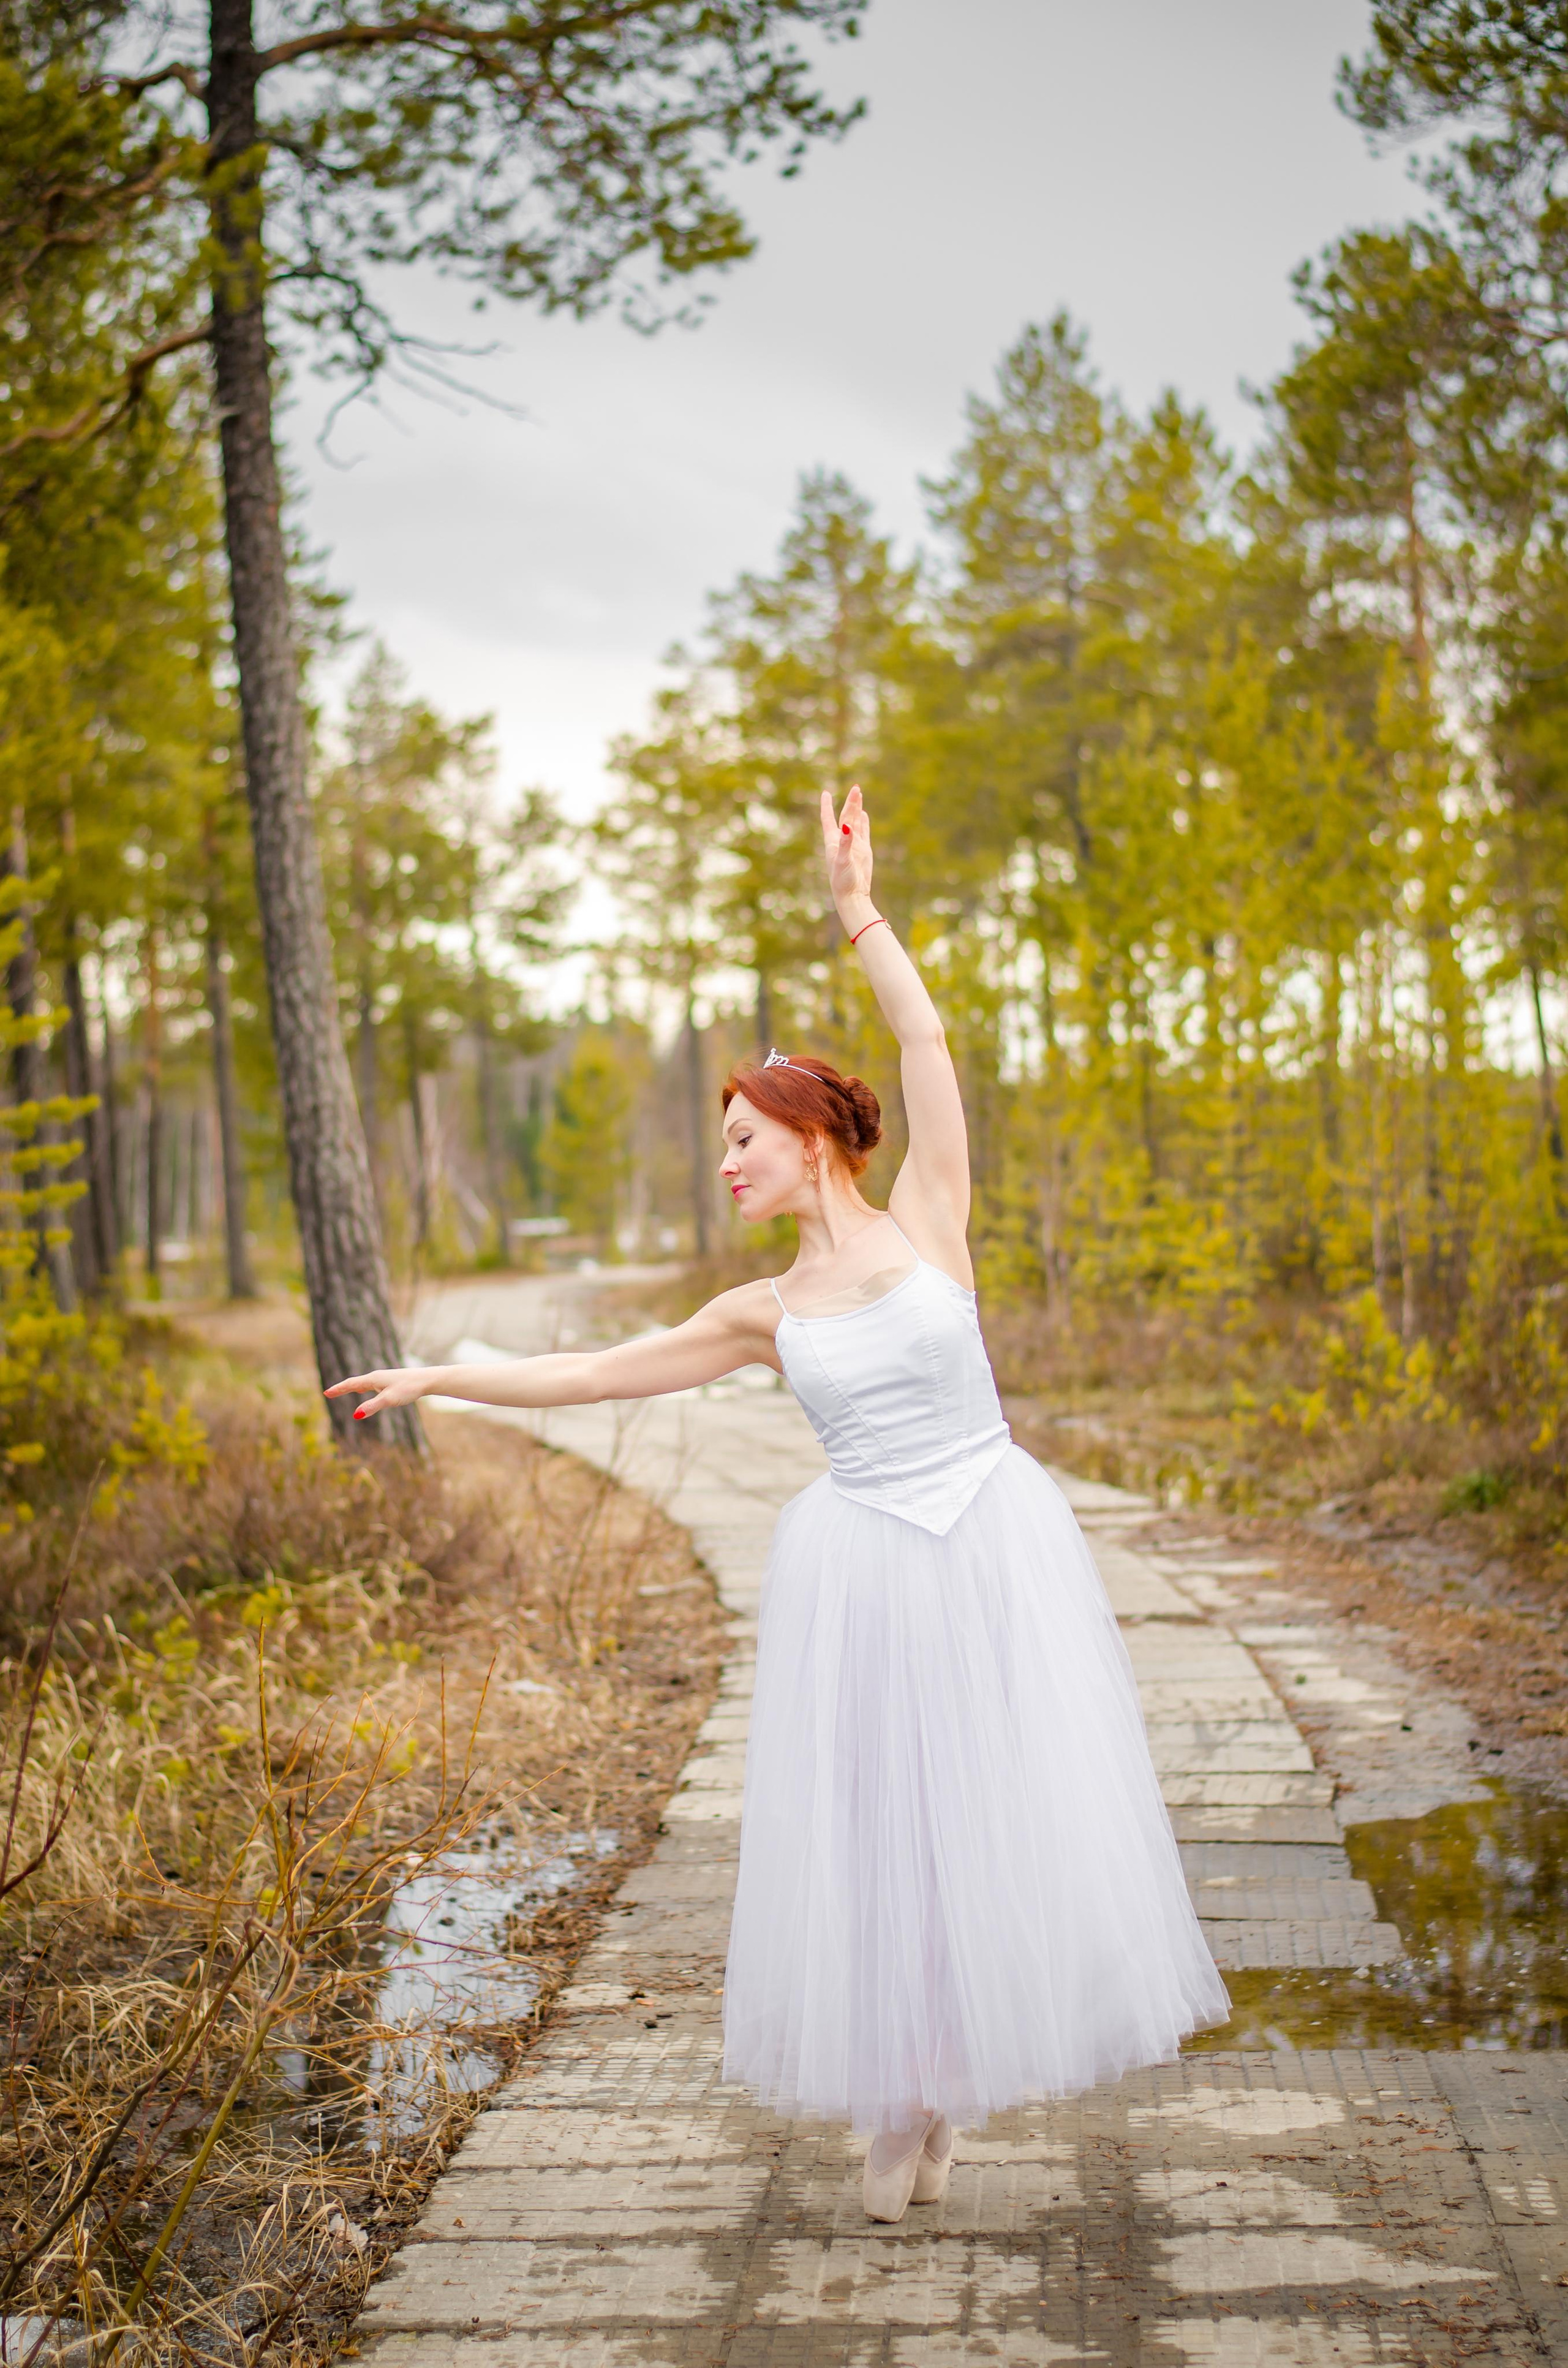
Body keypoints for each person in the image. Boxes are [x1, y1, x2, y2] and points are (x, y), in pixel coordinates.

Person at [328, 785, 1229, 2222]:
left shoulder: (932, 1217)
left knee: (993, 1817)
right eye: (722, 1141)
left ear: (814, 1138)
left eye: (745, 1136)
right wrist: (446, 1374)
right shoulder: (758, 1310)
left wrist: (857, 909)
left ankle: (951, 2072)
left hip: (990, 1549)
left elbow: (925, 1044)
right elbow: (599, 1372)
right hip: (866, 1571)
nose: (730, 1160)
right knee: (885, 1834)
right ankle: (903, 2084)